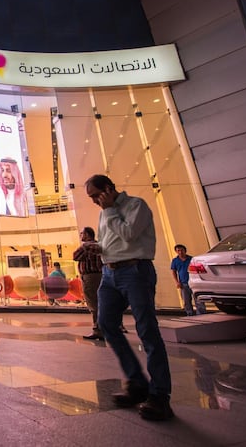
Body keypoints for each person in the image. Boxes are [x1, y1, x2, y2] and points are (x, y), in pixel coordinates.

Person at [85, 174, 173, 421]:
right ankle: (137, 383)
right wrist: (97, 247)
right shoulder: (105, 211)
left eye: (95, 196)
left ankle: (160, 396)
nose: (93, 201)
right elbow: (112, 241)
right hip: (109, 273)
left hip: (135, 271)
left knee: (147, 330)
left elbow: (129, 234)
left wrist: (110, 210)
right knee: (106, 324)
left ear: (109, 189)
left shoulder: (136, 206)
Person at [73, 226, 104, 340]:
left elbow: (75, 256)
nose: (81, 235)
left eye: (82, 233)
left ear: (87, 234)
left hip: (90, 277)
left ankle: (98, 330)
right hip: (101, 275)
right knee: (101, 302)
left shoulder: (86, 246)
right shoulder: (99, 245)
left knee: (93, 303)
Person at [170, 244, 205, 316]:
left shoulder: (192, 259)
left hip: (194, 282)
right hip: (183, 283)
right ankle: (189, 314)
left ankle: (201, 314)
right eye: (178, 250)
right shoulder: (175, 261)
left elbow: (198, 269)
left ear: (185, 250)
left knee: (198, 299)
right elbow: (173, 272)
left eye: (181, 250)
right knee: (186, 301)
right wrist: (177, 282)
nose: (180, 252)